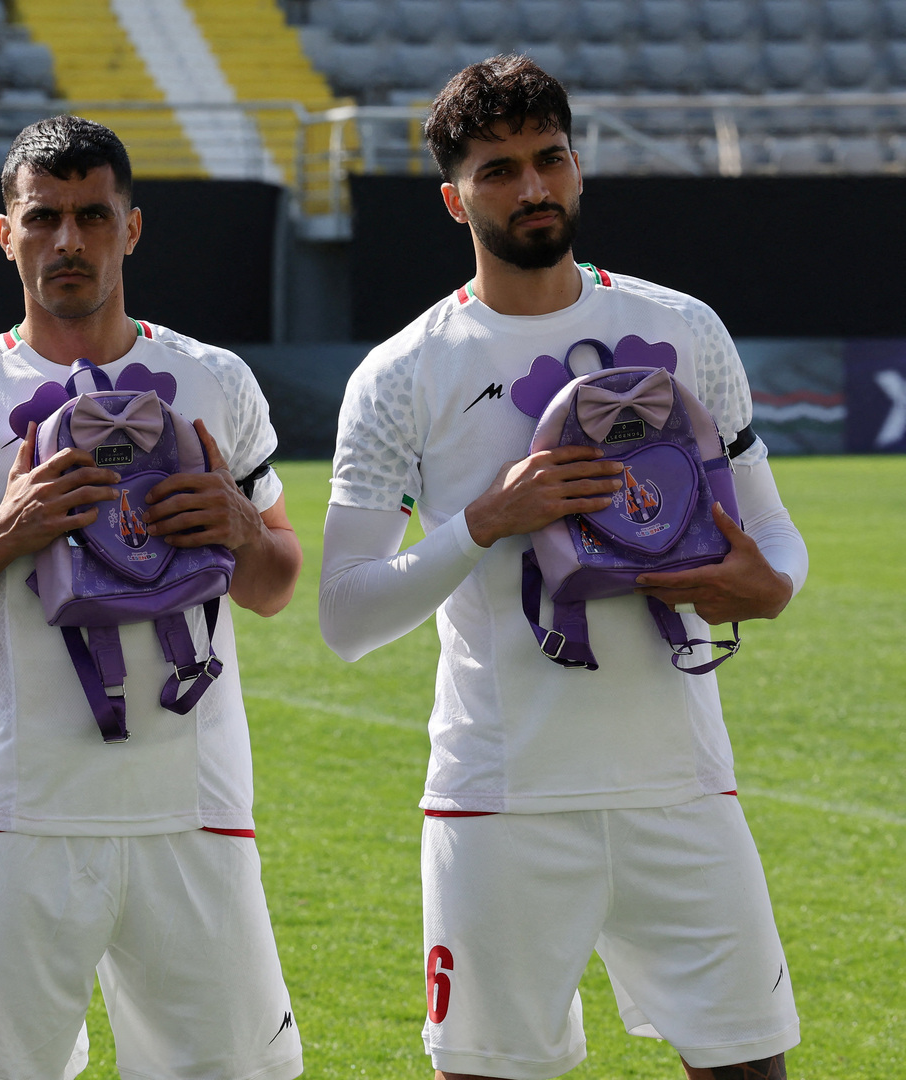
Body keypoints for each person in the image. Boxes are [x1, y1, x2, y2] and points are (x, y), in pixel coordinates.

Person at [320, 57, 807, 1080]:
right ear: (454, 199)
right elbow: (346, 614)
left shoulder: (682, 329)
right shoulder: (400, 374)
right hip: (498, 797)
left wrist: (768, 588)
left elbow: (772, 541)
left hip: (677, 787)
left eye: (548, 160)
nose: (531, 188)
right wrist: (484, 522)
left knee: (748, 1067)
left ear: (576, 169)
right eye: (498, 171)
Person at [0, 115, 305, 1080]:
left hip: (195, 804)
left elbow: (278, 583)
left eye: (93, 217)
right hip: (26, 807)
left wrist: (236, 524)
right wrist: (1, 536)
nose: (69, 242)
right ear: (5, 233)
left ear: (131, 230)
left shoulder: (214, 380)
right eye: (44, 217)